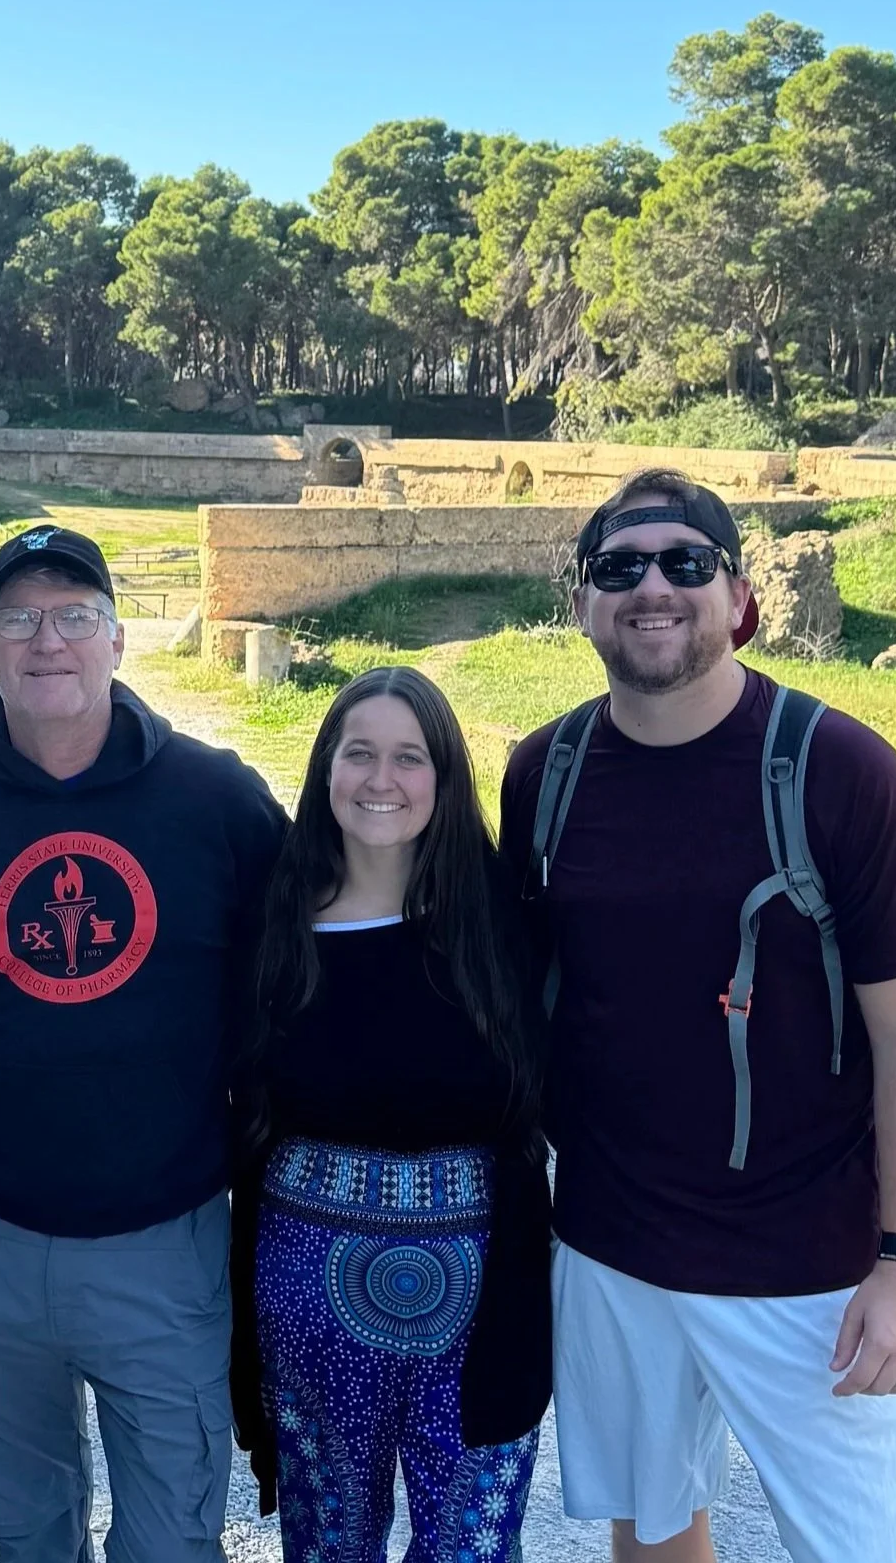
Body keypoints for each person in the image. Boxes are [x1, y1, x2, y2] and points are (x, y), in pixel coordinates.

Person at [502, 469, 896, 1563]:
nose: (651, 588)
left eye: (684, 563)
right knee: (653, 1528)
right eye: (619, 568)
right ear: (581, 603)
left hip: (804, 1262)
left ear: (739, 595)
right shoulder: (546, 773)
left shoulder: (842, 771)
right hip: (612, 1242)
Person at [0, 524, 288, 1563]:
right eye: (16, 618)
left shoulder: (218, 800)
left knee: (173, 1536)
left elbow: (291, 979)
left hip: (162, 1235)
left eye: (71, 615)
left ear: (116, 639)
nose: (44, 639)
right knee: (25, 1530)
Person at [230, 666, 552, 1563]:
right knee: (331, 1541)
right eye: (359, 753)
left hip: (483, 1291)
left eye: (410, 757)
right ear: (324, 769)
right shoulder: (278, 921)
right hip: (308, 1286)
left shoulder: (500, 919)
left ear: (444, 778)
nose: (382, 779)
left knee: (472, 1547)